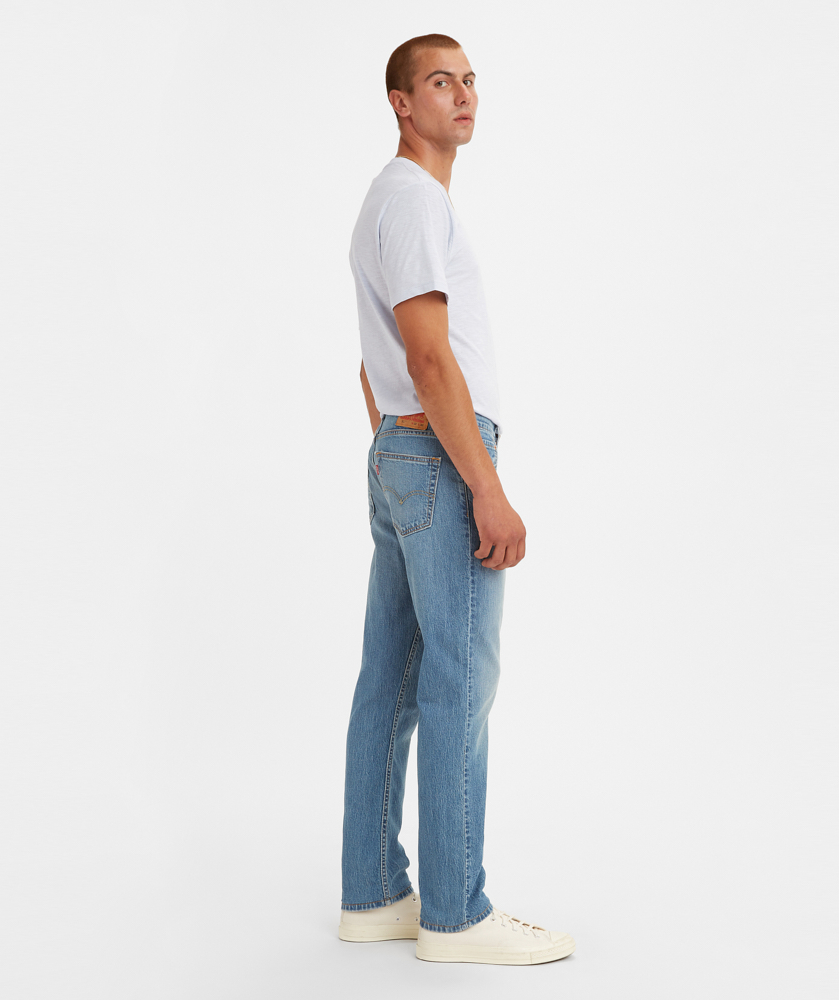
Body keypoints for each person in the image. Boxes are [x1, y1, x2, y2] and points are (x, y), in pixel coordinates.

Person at [337, 34, 575, 966]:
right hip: (442, 453)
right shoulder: (413, 200)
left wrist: (392, 446)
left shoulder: (392, 201)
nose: (464, 94)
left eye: (470, 80)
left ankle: (373, 896)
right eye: (441, 81)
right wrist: (486, 486)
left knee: (390, 682)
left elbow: (375, 364)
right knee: (458, 681)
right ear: (402, 102)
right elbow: (428, 358)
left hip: (406, 451)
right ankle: (455, 913)